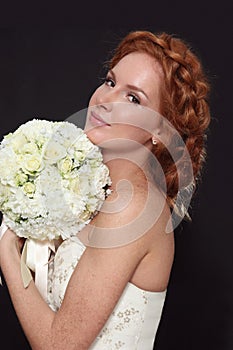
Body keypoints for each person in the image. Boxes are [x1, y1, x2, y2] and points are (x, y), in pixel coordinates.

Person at [0, 30, 211, 349]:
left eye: (133, 98)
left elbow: (60, 345)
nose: (105, 99)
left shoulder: (136, 207)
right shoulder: (99, 193)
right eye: (111, 81)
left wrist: (7, 254)